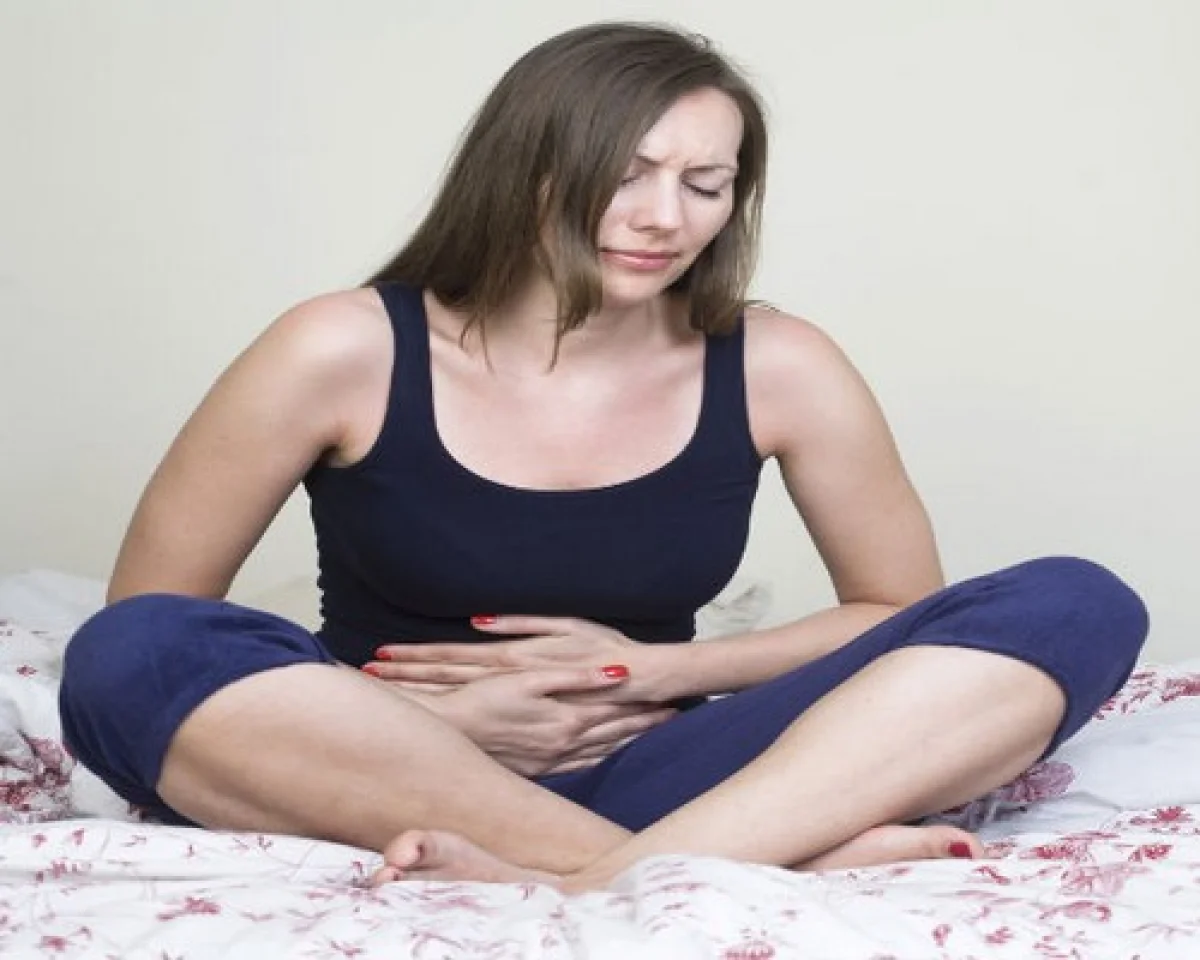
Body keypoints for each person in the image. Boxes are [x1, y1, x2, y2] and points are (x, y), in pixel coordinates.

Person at [59, 21, 1148, 893]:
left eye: (705, 184)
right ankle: (732, 861)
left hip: (667, 765)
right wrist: (426, 717)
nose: (664, 217)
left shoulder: (779, 363)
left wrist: (660, 672)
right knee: (130, 655)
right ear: (526, 168)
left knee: (1076, 605)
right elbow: (152, 613)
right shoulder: (339, 346)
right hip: (373, 765)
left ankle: (582, 877)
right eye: (627, 174)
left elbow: (894, 610)